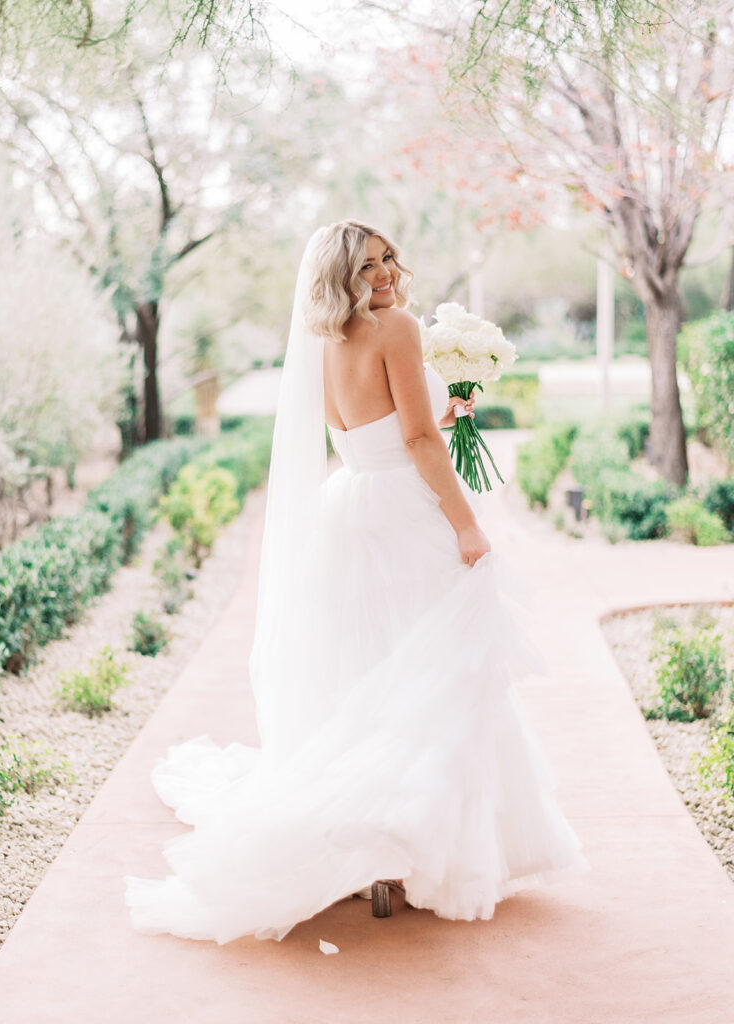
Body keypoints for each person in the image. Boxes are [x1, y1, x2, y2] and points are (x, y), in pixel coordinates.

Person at [124, 220, 589, 945]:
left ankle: (371, 849)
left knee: (368, 671)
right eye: (366, 264)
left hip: (348, 508)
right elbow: (416, 442)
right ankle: (419, 850)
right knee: (437, 674)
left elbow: (381, 429)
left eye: (385, 259)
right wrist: (465, 523)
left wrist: (447, 409)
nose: (382, 273)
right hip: (404, 508)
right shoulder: (396, 327)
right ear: (338, 273)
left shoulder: (320, 342)